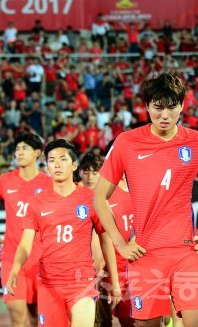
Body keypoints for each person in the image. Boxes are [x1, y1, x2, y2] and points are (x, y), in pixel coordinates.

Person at [94, 73, 198, 327]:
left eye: (171, 107)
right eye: (158, 107)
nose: (165, 115)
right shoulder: (126, 142)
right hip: (145, 254)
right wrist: (120, 244)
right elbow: (99, 198)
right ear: (147, 106)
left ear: (182, 106)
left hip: (187, 250)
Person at [7, 139, 120, 327]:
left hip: (81, 281)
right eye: (52, 160)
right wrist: (15, 269)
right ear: (47, 166)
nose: (57, 164)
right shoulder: (37, 202)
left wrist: (114, 282)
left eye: (63, 159)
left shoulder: (91, 199)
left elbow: (105, 238)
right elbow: (26, 242)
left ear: (74, 165)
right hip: (49, 284)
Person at [0, 133, 52, 327]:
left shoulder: (48, 182)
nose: (19, 152)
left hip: (41, 260)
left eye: (25, 148)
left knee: (37, 317)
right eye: (17, 148)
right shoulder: (5, 180)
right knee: (17, 317)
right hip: (11, 259)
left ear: (37, 153)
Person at [79, 151, 134, 327]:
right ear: (79, 172)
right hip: (79, 273)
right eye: (86, 171)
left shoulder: (115, 196)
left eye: (95, 172)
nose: (89, 177)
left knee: (109, 320)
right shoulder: (73, 196)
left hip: (113, 271)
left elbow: (111, 237)